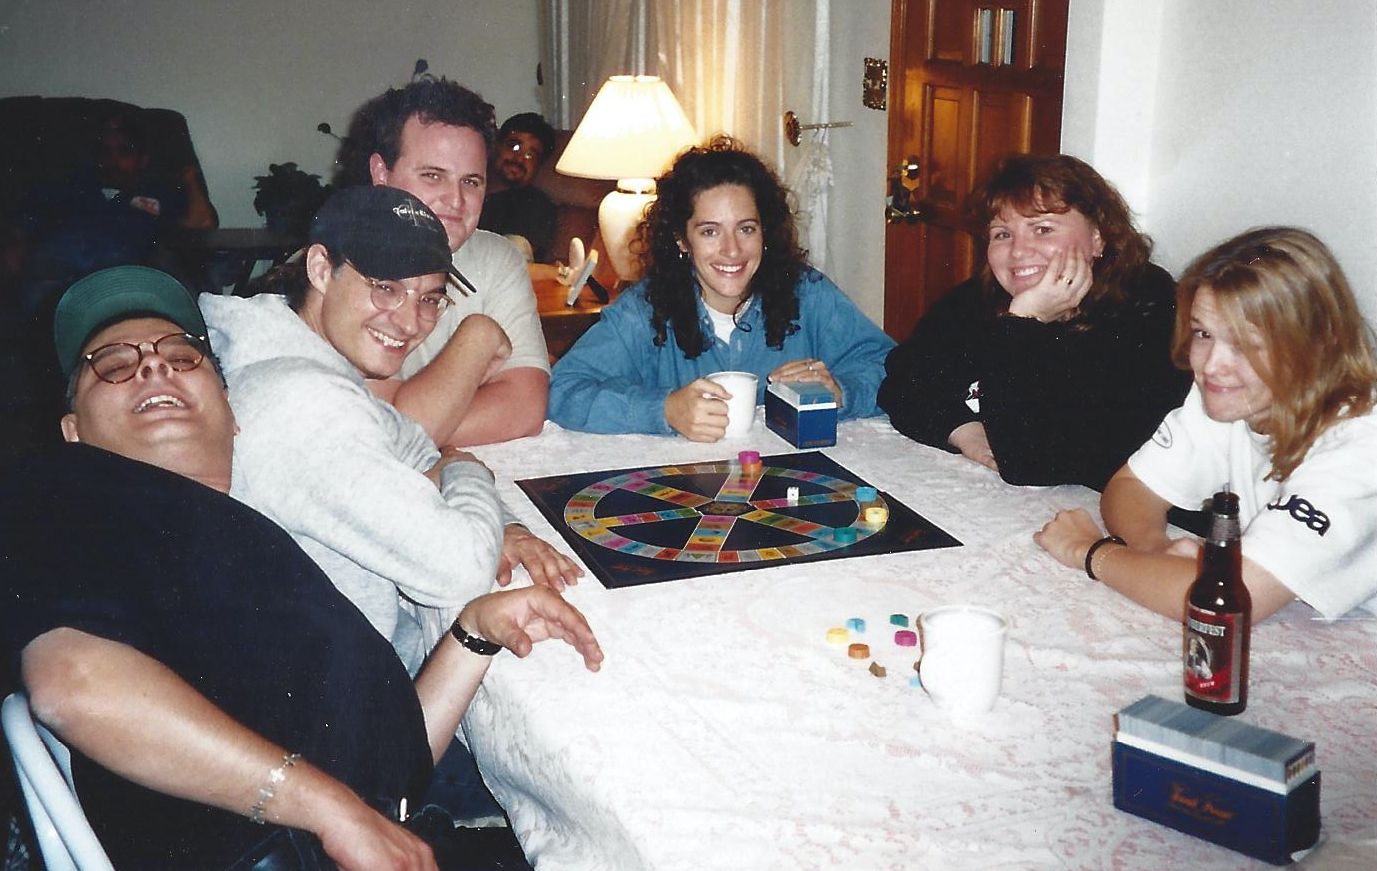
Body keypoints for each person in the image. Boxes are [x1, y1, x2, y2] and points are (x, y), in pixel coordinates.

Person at [0, 265, 603, 870]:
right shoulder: (64, 490)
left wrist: (473, 635)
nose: (154, 366)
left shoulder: (241, 531)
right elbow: (74, 682)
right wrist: (330, 810)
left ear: (232, 411)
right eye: (112, 364)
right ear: (72, 431)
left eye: (182, 356)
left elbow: (388, 778)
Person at [201, 186, 582, 675]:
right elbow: (461, 569)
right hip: (342, 690)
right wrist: (468, 473)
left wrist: (503, 525)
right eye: (385, 287)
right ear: (320, 269)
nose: (408, 321)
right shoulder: (302, 401)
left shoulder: (294, 352)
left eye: (430, 299)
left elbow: (415, 447)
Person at [1034, 227, 1377, 622]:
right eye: (1203, 333)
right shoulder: (1233, 396)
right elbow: (1132, 488)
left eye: (1247, 343)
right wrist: (1156, 551)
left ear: (1318, 345)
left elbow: (1232, 597)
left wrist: (1090, 552)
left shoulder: (1359, 444)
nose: (1212, 365)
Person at [547, 136, 895, 440]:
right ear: (681, 239)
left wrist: (841, 391)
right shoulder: (643, 310)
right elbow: (563, 390)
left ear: (765, 232)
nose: (732, 250)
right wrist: (664, 409)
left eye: (746, 229)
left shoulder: (808, 294)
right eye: (710, 231)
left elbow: (893, 369)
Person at [877, 153, 1191, 489]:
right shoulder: (983, 295)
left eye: (1042, 229)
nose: (1018, 251)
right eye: (1002, 234)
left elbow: (1034, 462)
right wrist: (964, 431)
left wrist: (1025, 322)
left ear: (1098, 238)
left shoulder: (1150, 310)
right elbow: (902, 382)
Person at [338, 76, 549, 447]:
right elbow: (385, 428)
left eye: (471, 182)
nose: (455, 200)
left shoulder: (497, 259)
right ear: (382, 174)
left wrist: (421, 420)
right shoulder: (340, 266)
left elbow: (526, 405)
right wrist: (479, 338)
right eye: (433, 176)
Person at [479, 112, 558, 263]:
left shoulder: (536, 204)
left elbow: (514, 255)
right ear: (495, 146)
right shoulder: (466, 190)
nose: (520, 159)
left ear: (538, 166)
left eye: (531, 155)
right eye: (514, 147)